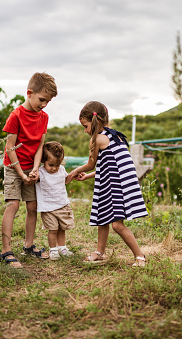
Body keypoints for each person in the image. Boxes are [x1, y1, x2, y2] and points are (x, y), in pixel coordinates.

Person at [67, 101, 149, 267]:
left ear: (95, 121)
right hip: (113, 182)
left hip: (117, 186)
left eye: (85, 126)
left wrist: (74, 172)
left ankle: (140, 256)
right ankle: (100, 252)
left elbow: (91, 163)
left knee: (117, 225)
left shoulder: (99, 138)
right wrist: (87, 177)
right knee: (102, 217)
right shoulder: (115, 136)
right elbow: (108, 166)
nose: (85, 130)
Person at [0, 72, 57, 268]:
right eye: (42, 99)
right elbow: (10, 147)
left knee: (32, 207)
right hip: (14, 167)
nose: (44, 104)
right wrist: (21, 174)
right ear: (29, 93)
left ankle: (28, 246)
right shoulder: (16, 116)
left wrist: (35, 170)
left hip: (31, 168)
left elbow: (40, 146)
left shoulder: (44, 117)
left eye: (48, 101)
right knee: (13, 205)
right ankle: (6, 250)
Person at [35, 141, 75, 260]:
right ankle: (53, 249)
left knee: (62, 228)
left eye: (57, 165)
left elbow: (65, 180)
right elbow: (34, 179)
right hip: (48, 207)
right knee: (53, 229)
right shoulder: (40, 172)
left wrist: (73, 176)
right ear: (43, 161)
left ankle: (61, 247)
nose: (54, 168)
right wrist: (32, 176)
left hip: (62, 204)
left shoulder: (61, 170)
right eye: (51, 165)